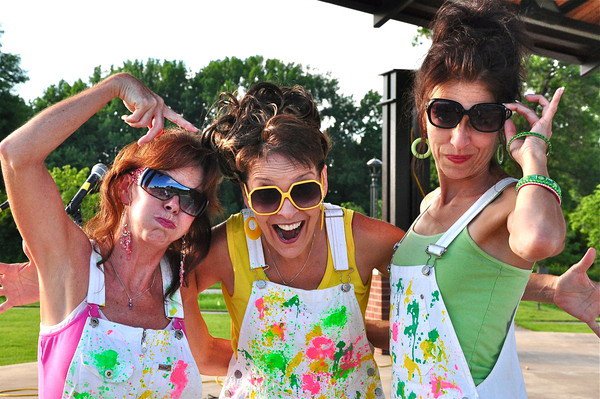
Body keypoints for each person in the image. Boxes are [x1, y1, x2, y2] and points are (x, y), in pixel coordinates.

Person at [1, 80, 598, 398]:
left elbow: (447, 273)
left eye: (304, 193)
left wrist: (550, 289)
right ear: (243, 197)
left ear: (326, 182)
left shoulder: (360, 241)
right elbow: (158, 275)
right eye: (265, 197)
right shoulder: (221, 246)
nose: (286, 214)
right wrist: (59, 276)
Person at [388, 1, 589, 398]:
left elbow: (540, 241)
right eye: (444, 113)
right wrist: (548, 288)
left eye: (482, 118)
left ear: (504, 123)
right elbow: (474, 278)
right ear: (423, 112)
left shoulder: (509, 202)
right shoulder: (429, 204)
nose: (460, 140)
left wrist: (534, 158)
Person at [0, 72, 229, 398]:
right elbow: (16, 155)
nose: (175, 205)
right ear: (125, 187)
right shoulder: (73, 263)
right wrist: (115, 86)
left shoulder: (180, 281)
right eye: (163, 186)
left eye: (191, 198)